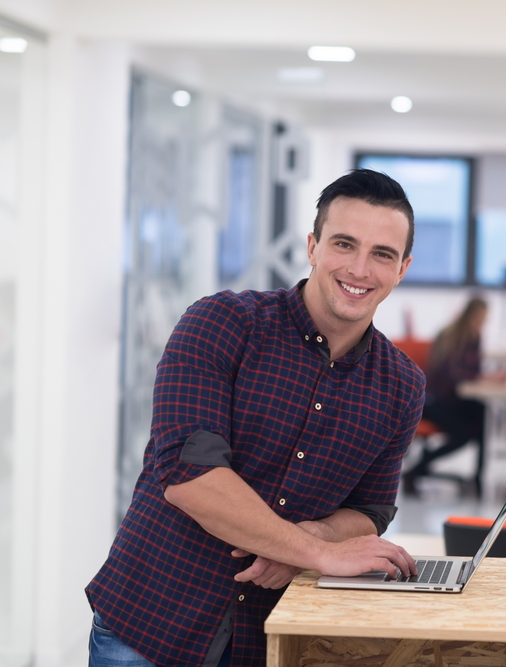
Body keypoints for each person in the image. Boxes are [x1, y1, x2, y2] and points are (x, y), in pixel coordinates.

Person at [85, 169, 426, 667]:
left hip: (270, 637)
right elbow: (190, 476)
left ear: (403, 268)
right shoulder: (221, 323)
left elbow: (370, 511)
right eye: (344, 244)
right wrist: (320, 555)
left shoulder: (402, 385)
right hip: (149, 624)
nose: (359, 269)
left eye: (382, 254)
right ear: (312, 246)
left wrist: (310, 541)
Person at [401, 297, 489, 496]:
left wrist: (483, 376)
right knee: (464, 432)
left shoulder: (463, 335)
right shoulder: (457, 337)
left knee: (483, 415)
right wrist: (482, 377)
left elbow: (470, 372)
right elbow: (452, 373)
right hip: (435, 401)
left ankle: (478, 476)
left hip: (450, 399)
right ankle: (417, 469)